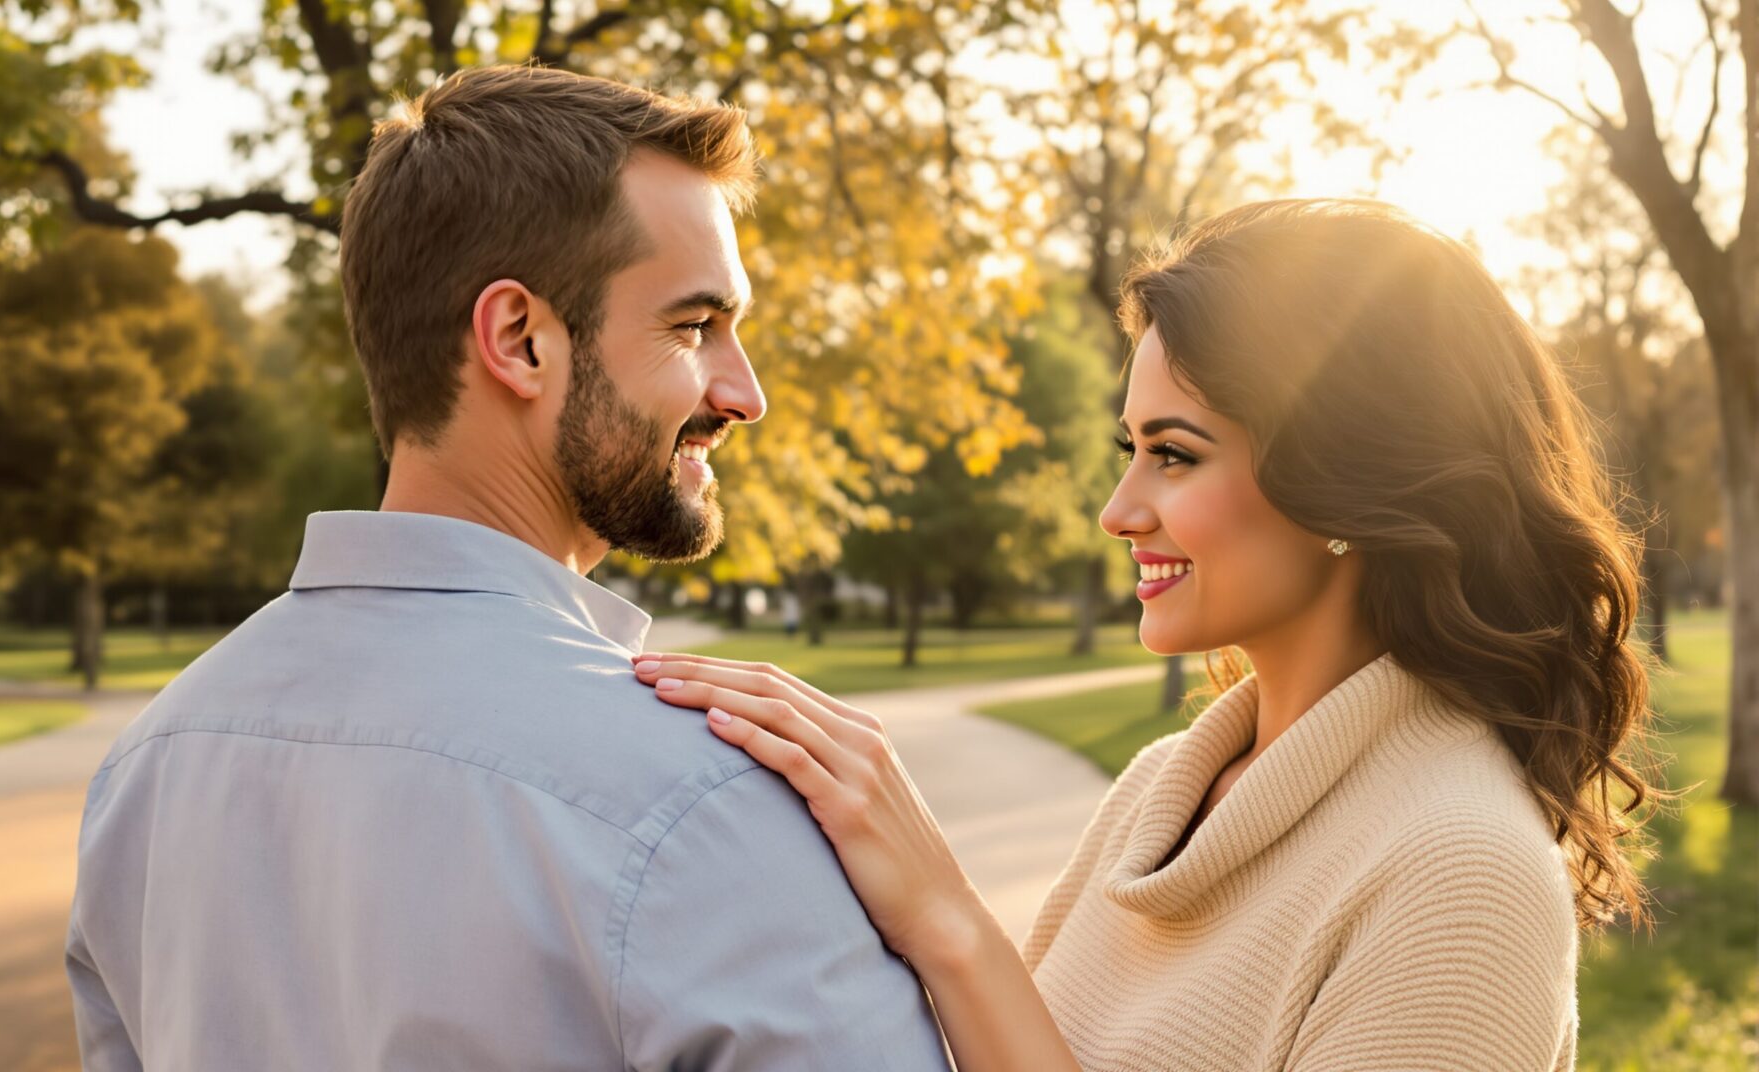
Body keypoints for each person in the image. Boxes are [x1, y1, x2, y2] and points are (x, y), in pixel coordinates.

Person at [633, 199, 1659, 1071]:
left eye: (1175, 454)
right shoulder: (1157, 793)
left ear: (1350, 481)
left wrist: (948, 920)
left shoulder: (1460, 873)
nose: (1119, 509)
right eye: (1133, 446)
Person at [64, 66, 950, 1071]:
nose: (745, 394)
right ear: (521, 341)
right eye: (694, 327)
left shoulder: (148, 769)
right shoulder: (704, 800)